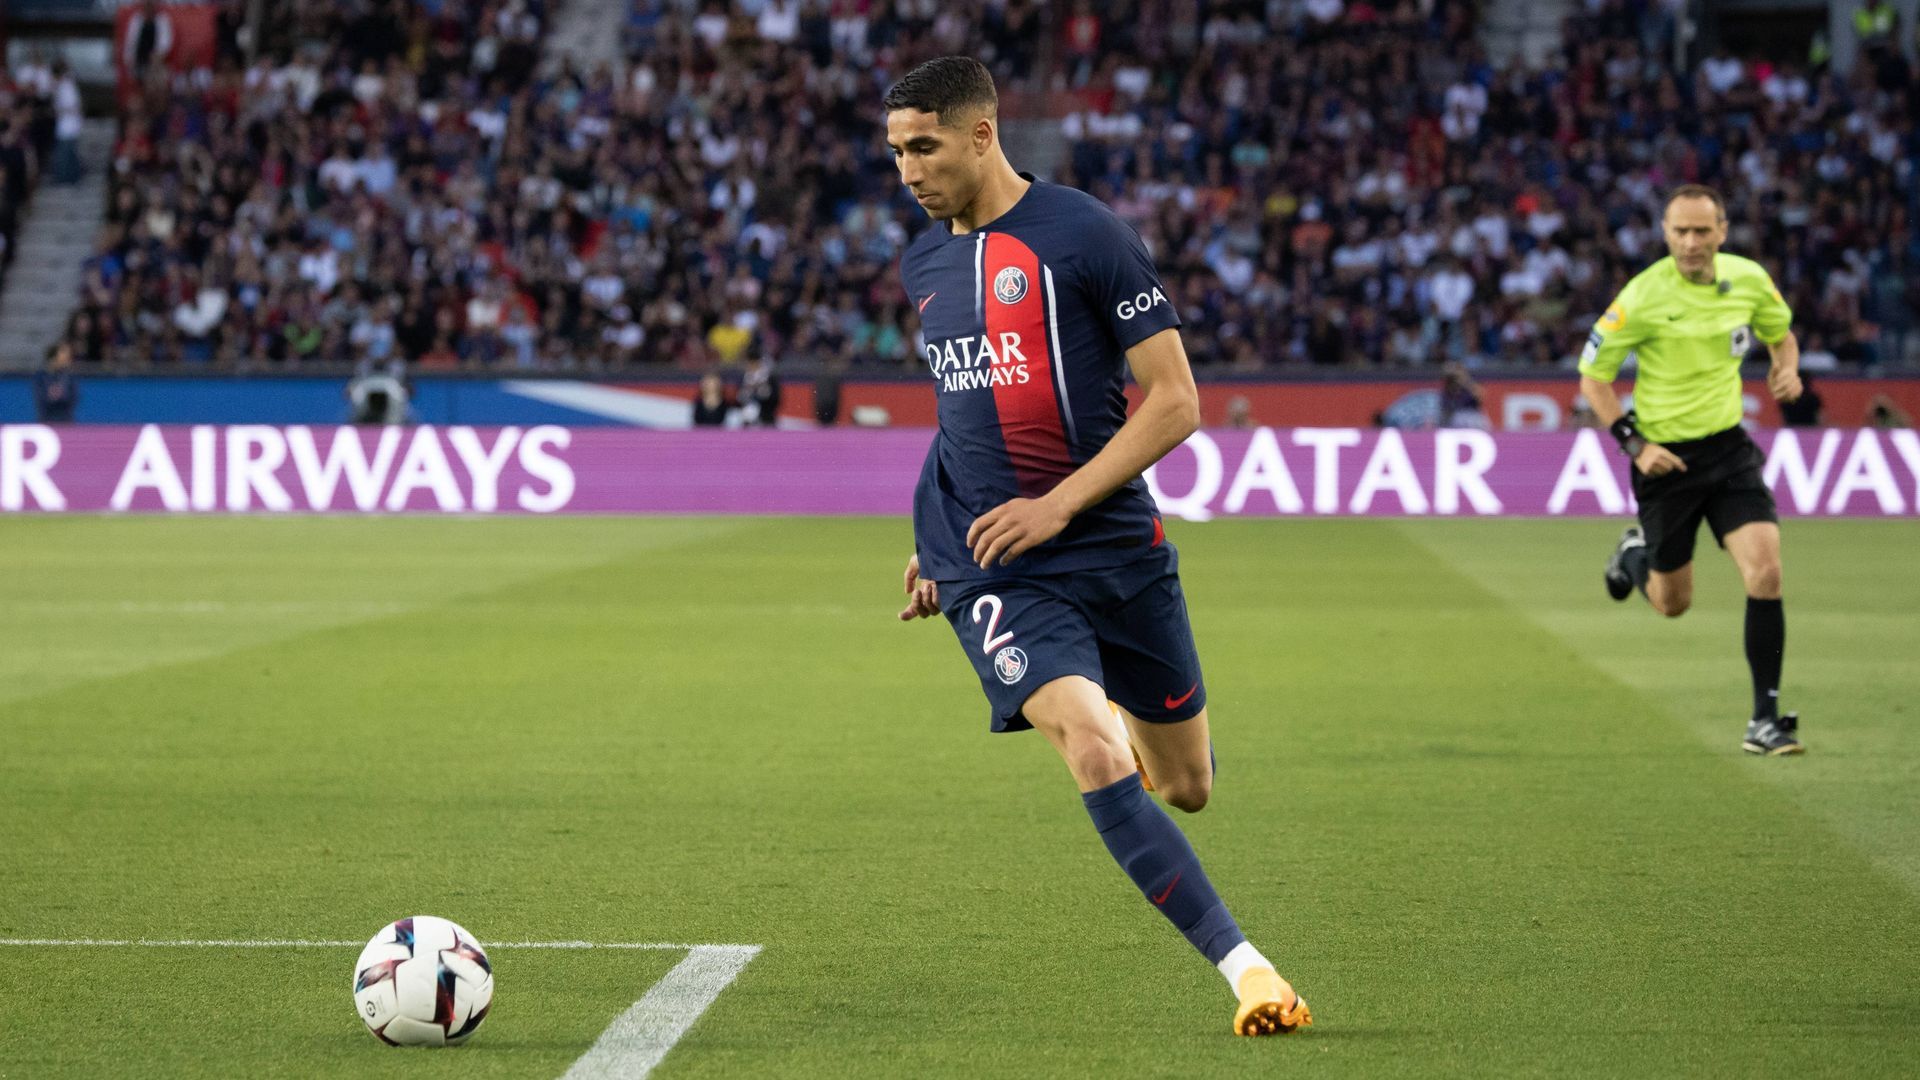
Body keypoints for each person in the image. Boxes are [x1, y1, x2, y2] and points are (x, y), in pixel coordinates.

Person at [885, 57, 1310, 1036]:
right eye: (897, 152)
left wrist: (1058, 505)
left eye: (925, 147)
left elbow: (1176, 401)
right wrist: (933, 539)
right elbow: (961, 413)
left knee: (1189, 787)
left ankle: (1119, 723)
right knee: (1087, 743)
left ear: (982, 134)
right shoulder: (924, 264)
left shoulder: (1085, 235)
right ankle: (1250, 973)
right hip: (994, 563)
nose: (908, 171)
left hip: (1113, 543)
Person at [1578, 184, 1805, 756]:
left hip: (1728, 452)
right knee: (1672, 603)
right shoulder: (1641, 296)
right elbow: (1593, 378)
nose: (1691, 242)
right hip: (1666, 462)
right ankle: (1633, 555)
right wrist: (1634, 444)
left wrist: (1786, 369)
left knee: (1766, 573)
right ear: (1665, 233)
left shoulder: (1749, 280)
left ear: (1722, 232)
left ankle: (1764, 719)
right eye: (1680, 231)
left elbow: (1781, 336)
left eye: (1702, 231)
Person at [33, 341, 80, 423]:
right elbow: (41, 399)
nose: (67, 358)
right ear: (53, 357)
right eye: (64, 354)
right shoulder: (41, 376)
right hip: (46, 420)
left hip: (66, 421)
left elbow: (73, 398)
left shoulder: (70, 377)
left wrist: (60, 396)